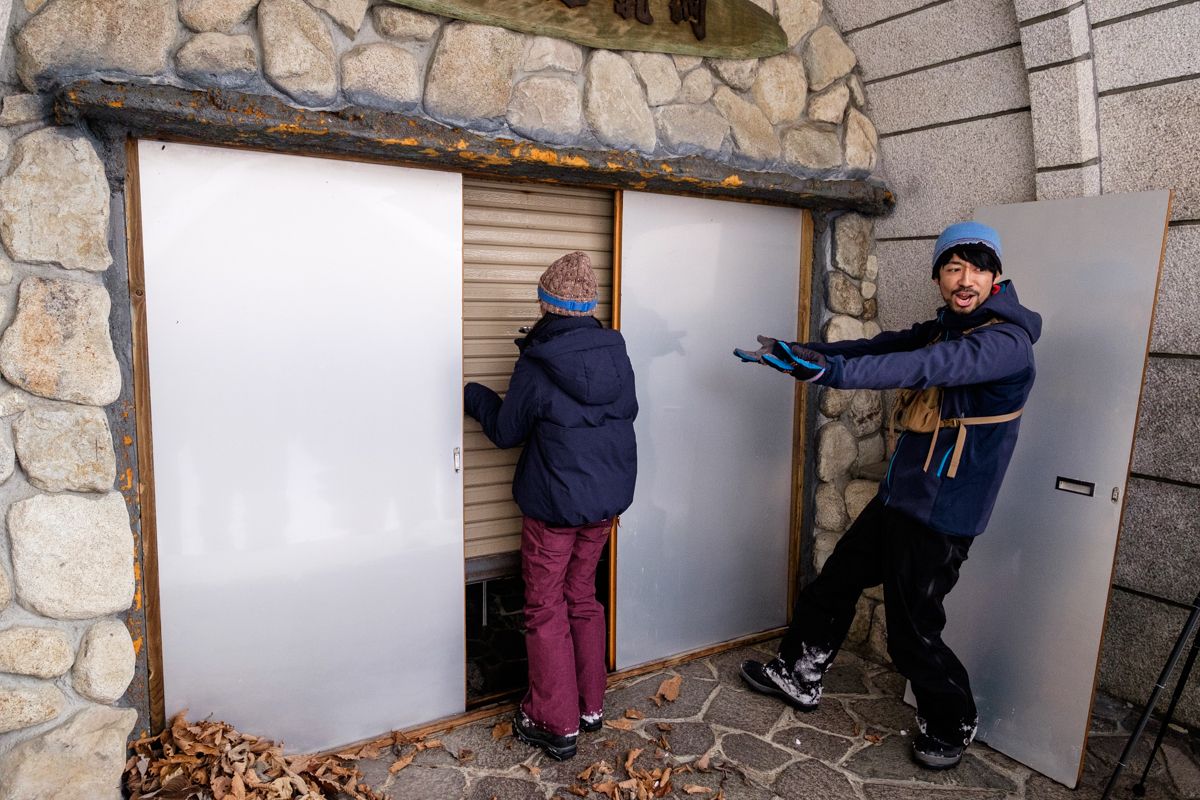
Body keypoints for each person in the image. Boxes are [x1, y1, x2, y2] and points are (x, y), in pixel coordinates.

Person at [733, 221, 1041, 770]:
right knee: (833, 584)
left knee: (911, 630)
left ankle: (953, 718)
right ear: (939, 279)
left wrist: (827, 372)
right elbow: (881, 346)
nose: (963, 279)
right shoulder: (946, 328)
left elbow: (921, 367)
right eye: (952, 268)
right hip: (902, 495)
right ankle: (799, 673)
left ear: (996, 277)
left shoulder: (1004, 343)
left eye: (975, 268)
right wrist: (799, 352)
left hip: (945, 512)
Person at [463, 251, 638, 761]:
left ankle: (554, 721)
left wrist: (472, 394)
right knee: (581, 596)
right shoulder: (617, 357)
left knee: (543, 607)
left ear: (545, 304)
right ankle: (589, 705)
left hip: (555, 507)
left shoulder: (539, 365)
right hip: (603, 503)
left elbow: (505, 431)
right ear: (589, 307)